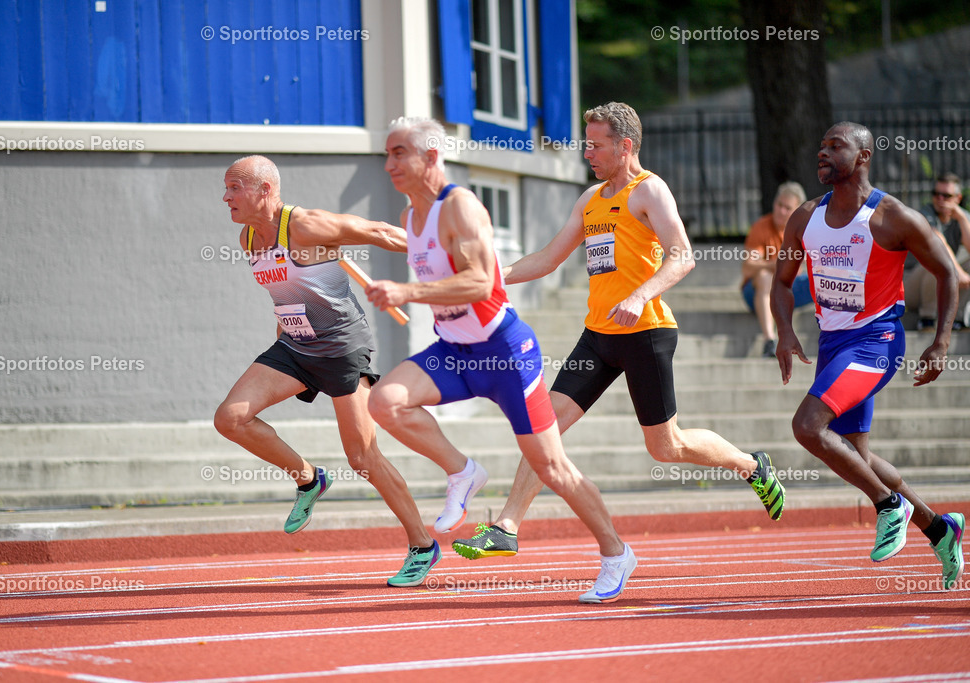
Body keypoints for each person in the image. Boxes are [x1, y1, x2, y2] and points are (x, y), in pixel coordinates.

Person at [449, 102, 787, 564]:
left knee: (666, 447)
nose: (587, 152)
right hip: (598, 336)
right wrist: (491, 279)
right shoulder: (590, 198)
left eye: (596, 145)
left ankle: (751, 465)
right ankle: (506, 527)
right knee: (543, 427)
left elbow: (683, 256)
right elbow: (547, 259)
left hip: (645, 332)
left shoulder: (650, 191)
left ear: (625, 146)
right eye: (586, 144)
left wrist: (639, 296)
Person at [362, 116, 634, 604]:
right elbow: (376, 233)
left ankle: (616, 553)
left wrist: (407, 291)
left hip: (504, 353)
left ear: (432, 156)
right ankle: (462, 471)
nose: (389, 165)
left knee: (551, 467)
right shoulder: (410, 215)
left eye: (399, 153)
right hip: (454, 352)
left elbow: (481, 282)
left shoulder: (461, 206)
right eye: (387, 154)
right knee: (384, 401)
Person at [213, 155, 440, 588]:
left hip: (340, 348)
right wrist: (285, 333)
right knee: (231, 418)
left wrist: (439, 251)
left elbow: (379, 232)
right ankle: (309, 478)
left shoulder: (305, 226)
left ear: (265, 189)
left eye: (234, 187)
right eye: (226, 188)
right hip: (294, 346)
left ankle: (422, 545)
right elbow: (284, 292)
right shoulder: (248, 238)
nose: (226, 197)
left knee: (363, 458)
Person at [772, 122, 964, 589]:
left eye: (835, 146)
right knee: (857, 455)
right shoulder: (805, 216)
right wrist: (784, 331)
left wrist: (941, 341)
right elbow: (781, 283)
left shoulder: (892, 218)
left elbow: (947, 273)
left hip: (877, 342)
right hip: (832, 345)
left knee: (807, 426)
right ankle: (940, 529)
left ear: (863, 156)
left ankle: (887, 504)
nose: (822, 153)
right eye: (821, 146)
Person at [741, 181, 813, 357]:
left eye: (787, 208)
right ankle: (770, 341)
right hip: (755, 291)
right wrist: (774, 264)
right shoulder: (761, 226)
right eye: (779, 205)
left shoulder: (804, 230)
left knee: (825, 279)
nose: (781, 211)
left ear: (797, 211)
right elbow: (748, 267)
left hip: (791, 288)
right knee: (764, 277)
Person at [902, 172, 970, 330]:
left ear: (958, 198)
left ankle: (958, 319)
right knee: (935, 263)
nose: (940, 199)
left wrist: (961, 218)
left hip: (941, 285)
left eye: (946, 196)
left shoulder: (961, 217)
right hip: (911, 285)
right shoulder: (925, 215)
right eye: (936, 194)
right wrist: (958, 273)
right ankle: (927, 319)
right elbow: (939, 244)